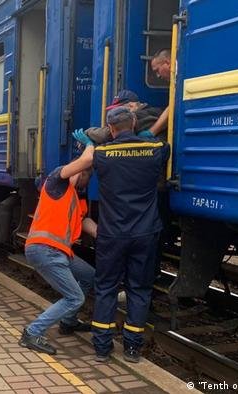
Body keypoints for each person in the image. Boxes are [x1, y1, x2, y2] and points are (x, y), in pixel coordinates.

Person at [71, 106, 170, 363]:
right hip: (145, 233)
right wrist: (148, 136)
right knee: (139, 288)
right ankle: (132, 349)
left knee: (106, 287)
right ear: (135, 122)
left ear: (112, 129)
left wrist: (91, 142)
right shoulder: (156, 150)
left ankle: (102, 348)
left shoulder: (103, 154)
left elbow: (91, 155)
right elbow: (165, 148)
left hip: (112, 234)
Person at [18, 163, 96, 355]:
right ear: (80, 173)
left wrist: (101, 234)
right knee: (74, 297)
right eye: (87, 176)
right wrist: (90, 145)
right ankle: (32, 332)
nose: (89, 181)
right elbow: (84, 161)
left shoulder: (77, 196)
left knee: (89, 275)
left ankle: (68, 322)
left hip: (59, 251)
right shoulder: (56, 182)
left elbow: (83, 220)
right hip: (44, 250)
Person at [86, 90, 164, 144]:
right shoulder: (154, 111)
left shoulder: (139, 116)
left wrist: (87, 133)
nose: (117, 113)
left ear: (131, 106)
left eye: (119, 108)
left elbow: (107, 134)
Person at [148, 49, 171, 137]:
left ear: (167, 63)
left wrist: (152, 131)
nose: (158, 76)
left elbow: (173, 106)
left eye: (157, 70)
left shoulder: (182, 74)